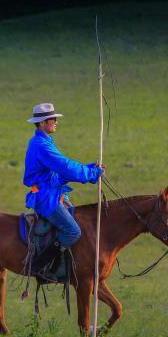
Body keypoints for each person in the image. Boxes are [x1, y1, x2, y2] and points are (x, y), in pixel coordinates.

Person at [23, 102, 103, 276]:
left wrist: (89, 169)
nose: (55, 122)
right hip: (46, 197)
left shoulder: (43, 141)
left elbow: (58, 172)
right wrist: (90, 174)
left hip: (52, 191)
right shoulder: (42, 145)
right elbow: (65, 166)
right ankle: (40, 266)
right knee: (73, 231)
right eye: (52, 119)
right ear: (42, 123)